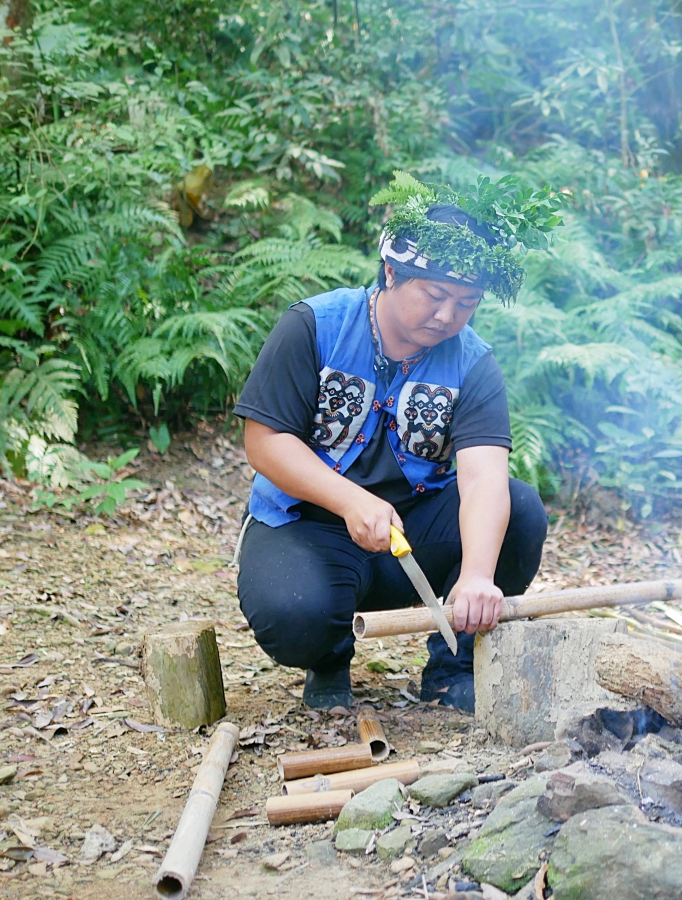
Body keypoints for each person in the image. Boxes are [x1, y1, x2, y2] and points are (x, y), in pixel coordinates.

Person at [232, 180, 550, 713]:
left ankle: (454, 667)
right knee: (294, 614)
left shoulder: (472, 362)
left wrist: (475, 575)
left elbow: (483, 477)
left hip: (419, 528)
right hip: (311, 526)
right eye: (435, 295)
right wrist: (350, 501)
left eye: (466, 303)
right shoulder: (313, 327)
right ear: (391, 273)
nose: (448, 316)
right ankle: (328, 658)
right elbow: (265, 441)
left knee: (519, 511)